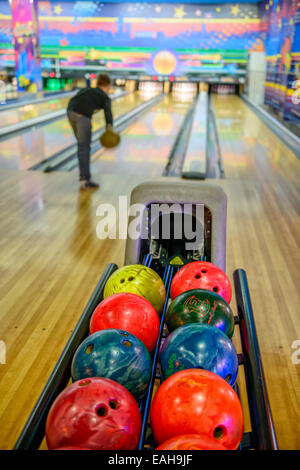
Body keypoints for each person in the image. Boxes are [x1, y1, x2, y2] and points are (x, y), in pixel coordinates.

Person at [67, 73, 113, 190]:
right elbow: (108, 113)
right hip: (82, 117)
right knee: (84, 147)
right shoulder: (104, 96)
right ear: (107, 85)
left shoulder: (88, 90)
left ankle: (84, 177)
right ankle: (85, 179)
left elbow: (76, 99)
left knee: (82, 146)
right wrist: (109, 129)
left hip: (70, 112)